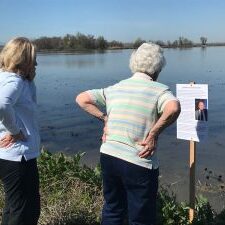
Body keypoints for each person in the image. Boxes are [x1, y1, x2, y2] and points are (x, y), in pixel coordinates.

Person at [76, 43, 181, 225]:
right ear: (158, 68)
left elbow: (82, 98)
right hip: (138, 161)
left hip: (109, 156)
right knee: (141, 218)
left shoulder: (116, 88)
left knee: (113, 209)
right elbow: (174, 108)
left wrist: (105, 118)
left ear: (133, 64)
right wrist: (154, 132)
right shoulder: (159, 90)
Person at [0, 37, 40, 225]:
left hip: (9, 155)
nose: (37, 63)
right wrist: (15, 131)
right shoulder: (14, 82)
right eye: (33, 59)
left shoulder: (5, 77)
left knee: (14, 206)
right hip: (18, 157)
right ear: (23, 61)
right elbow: (2, 105)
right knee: (25, 210)